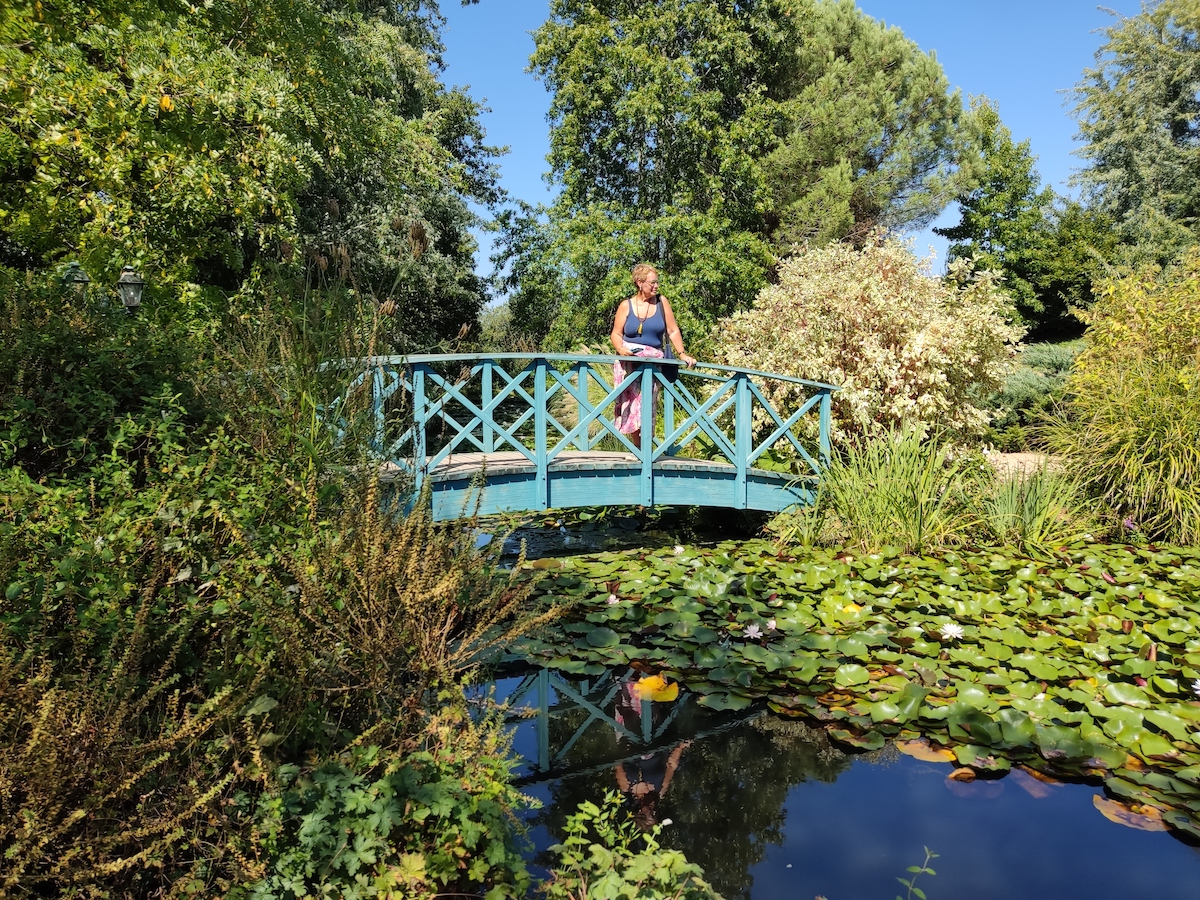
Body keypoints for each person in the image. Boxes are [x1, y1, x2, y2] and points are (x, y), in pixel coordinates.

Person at [609, 264, 697, 448]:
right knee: (631, 405)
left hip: (651, 365)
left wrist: (682, 353)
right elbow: (616, 334)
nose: (656, 286)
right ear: (640, 283)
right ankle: (640, 450)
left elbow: (672, 330)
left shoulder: (661, 302)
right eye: (653, 282)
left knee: (646, 405)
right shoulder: (626, 306)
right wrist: (621, 348)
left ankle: (646, 451)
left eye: (657, 282)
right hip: (629, 363)